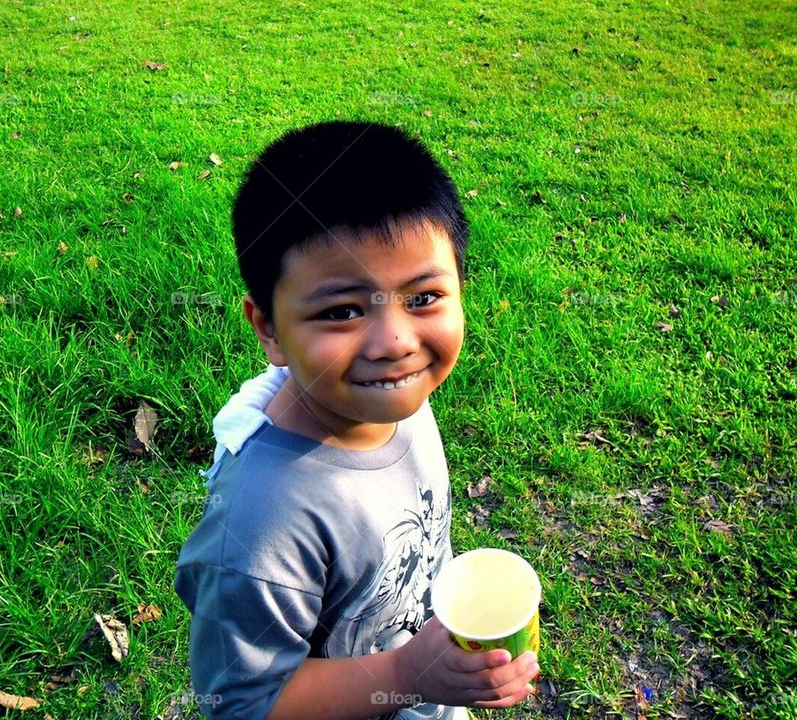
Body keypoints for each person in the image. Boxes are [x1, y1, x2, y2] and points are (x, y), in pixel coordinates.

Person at [174, 120, 539, 720]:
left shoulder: (389, 398)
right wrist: (405, 673)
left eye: (423, 298)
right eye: (343, 310)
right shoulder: (263, 522)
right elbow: (243, 704)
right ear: (267, 326)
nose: (395, 341)